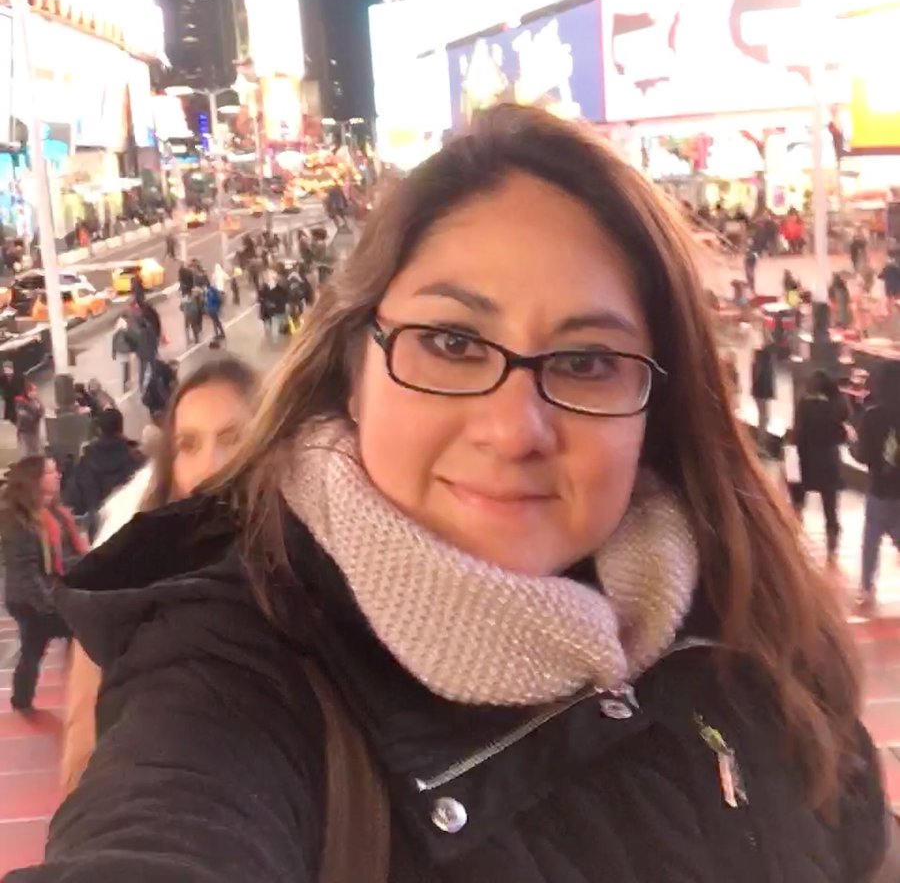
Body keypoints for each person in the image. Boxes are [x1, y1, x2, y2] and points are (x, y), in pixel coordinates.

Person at [24, 108, 888, 883]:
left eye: (586, 362)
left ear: (654, 409)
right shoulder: (231, 670)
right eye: (450, 343)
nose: (513, 430)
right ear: (353, 371)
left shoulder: (749, 630)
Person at [61, 356, 258, 794]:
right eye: (188, 445)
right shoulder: (125, 586)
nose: (210, 464)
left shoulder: (315, 565)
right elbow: (87, 746)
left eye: (232, 438)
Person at [0, 456, 87, 711]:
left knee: (33, 648)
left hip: (51, 591)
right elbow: (25, 570)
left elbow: (64, 557)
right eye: (50, 472)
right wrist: (50, 606)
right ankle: (78, 696)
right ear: (34, 479)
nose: (58, 475)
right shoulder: (17, 519)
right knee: (74, 635)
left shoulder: (56, 513)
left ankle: (22, 699)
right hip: (29, 598)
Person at [853, 361, 900, 614]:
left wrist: (852, 444)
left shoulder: (871, 415)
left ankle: (866, 587)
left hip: (878, 488)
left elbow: (862, 454)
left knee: (871, 541)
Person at [792, 369, 848, 565]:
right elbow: (841, 435)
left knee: (798, 503)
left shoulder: (803, 406)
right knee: (830, 509)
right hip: (828, 465)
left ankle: (794, 538)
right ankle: (832, 548)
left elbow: (797, 434)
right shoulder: (834, 408)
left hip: (805, 461)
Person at [65, 408, 145, 540]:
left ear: (100, 430)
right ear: (121, 427)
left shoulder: (87, 460)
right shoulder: (136, 458)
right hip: (131, 526)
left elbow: (75, 499)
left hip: (99, 528)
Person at [750, 330, 776, 449]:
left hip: (761, 389)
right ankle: (761, 442)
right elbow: (758, 373)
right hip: (762, 389)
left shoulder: (761, 356)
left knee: (764, 416)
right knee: (764, 417)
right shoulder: (763, 356)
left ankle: (762, 441)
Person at [15, 381, 45, 457]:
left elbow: (42, 409)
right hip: (26, 430)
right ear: (28, 392)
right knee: (27, 451)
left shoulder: (36, 400)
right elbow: (22, 414)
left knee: (36, 449)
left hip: (35, 429)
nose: (35, 393)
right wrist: (33, 417)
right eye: (33, 391)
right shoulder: (21, 401)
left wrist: (40, 412)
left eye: (35, 391)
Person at [111, 316, 137, 392]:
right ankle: (126, 383)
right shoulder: (123, 328)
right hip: (123, 350)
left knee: (126, 366)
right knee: (126, 366)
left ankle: (126, 383)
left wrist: (113, 352)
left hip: (123, 349)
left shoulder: (119, 329)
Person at [1, 358, 25, 425]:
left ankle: (16, 420)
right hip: (7, 396)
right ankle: (7, 419)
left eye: (7, 368)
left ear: (11, 368)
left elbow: (22, 386)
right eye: (5, 369)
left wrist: (21, 395)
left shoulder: (18, 377)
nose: (6, 371)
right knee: (8, 408)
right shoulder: (2, 378)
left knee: (16, 409)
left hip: (17, 396)